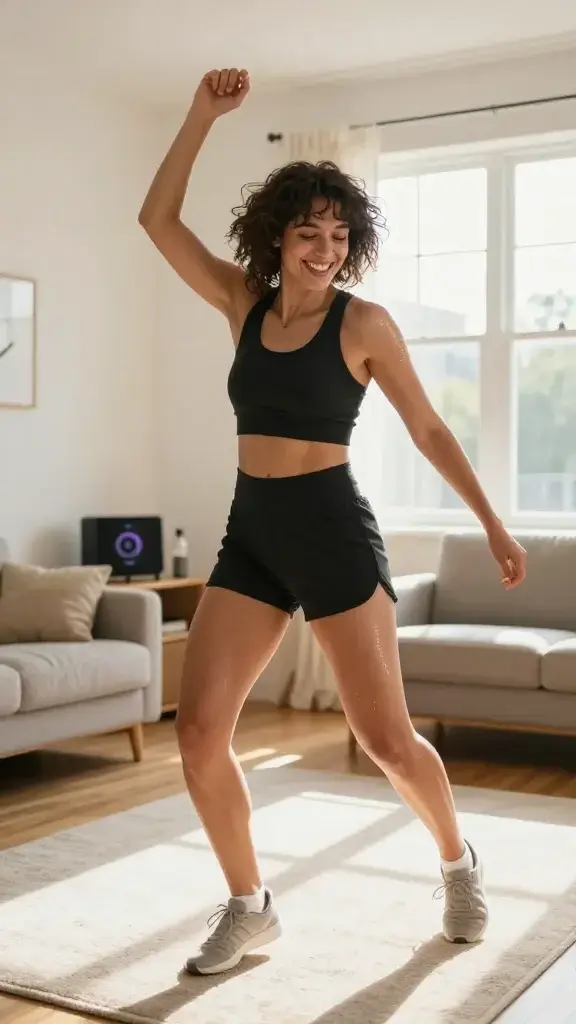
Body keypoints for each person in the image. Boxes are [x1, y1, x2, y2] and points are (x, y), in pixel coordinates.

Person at [138, 67, 527, 976]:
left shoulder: (365, 325)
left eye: (339, 236)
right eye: (309, 232)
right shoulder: (241, 303)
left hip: (333, 534)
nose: (323, 249)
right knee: (198, 733)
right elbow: (158, 221)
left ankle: (458, 864)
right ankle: (250, 906)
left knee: (385, 739)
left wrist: (494, 526)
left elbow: (429, 430)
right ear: (278, 234)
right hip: (252, 534)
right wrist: (200, 115)